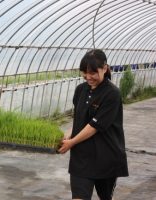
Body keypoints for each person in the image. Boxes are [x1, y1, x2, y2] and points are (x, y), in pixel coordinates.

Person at [58, 49, 128, 200]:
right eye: (84, 72)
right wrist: (67, 135)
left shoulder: (112, 94)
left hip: (105, 157)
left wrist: (71, 143)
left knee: (105, 197)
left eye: (93, 73)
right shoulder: (80, 90)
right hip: (82, 158)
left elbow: (94, 127)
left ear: (105, 68)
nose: (88, 77)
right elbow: (79, 120)